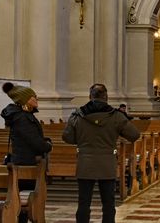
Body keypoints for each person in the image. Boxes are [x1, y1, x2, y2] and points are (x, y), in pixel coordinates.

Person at [63, 83, 141, 223]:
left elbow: (67, 137)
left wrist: (82, 139)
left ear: (90, 96)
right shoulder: (116, 116)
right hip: (107, 163)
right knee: (108, 204)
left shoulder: (78, 115)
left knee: (83, 203)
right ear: (106, 97)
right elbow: (134, 135)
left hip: (85, 163)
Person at [1, 81, 52, 214]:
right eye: (32, 97)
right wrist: (47, 146)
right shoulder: (22, 118)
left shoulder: (21, 116)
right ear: (24, 100)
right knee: (25, 201)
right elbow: (34, 142)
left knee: (23, 200)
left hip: (23, 161)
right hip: (27, 163)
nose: (36, 99)